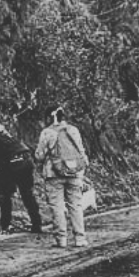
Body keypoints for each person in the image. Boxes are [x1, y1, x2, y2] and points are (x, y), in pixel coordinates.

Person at [34, 105, 90, 248]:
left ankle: (62, 240)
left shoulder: (47, 132)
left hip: (54, 174)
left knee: (57, 207)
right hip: (75, 172)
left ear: (49, 117)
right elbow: (81, 151)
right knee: (76, 205)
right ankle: (80, 239)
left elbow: (39, 156)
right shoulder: (73, 130)